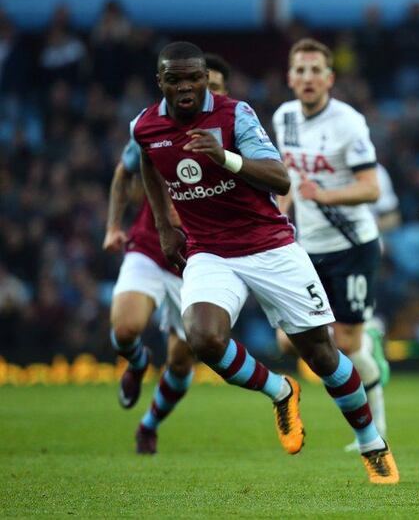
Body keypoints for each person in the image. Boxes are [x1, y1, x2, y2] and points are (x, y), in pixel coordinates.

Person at [136, 41, 398, 484]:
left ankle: (372, 442)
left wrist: (225, 158)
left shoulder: (235, 115)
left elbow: (279, 178)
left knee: (322, 353)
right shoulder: (146, 126)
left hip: (270, 245)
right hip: (209, 251)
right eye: (174, 79)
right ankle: (280, 390)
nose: (185, 87)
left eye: (193, 78)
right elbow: (148, 160)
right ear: (160, 81)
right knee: (204, 339)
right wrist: (164, 224)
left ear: (205, 78)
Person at [103, 53, 232, 455]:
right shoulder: (154, 128)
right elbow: (126, 170)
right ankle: (137, 361)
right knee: (125, 328)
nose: (196, 90)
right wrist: (112, 226)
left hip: (201, 259)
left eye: (210, 85)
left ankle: (149, 424)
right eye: (191, 81)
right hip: (149, 244)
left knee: (181, 361)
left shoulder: (236, 132)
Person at [271, 38, 390, 451]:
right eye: (299, 70)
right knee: (289, 341)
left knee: (349, 344)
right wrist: (282, 213)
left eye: (315, 70)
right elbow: (287, 177)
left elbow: (371, 188)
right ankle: (367, 342)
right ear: (290, 77)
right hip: (306, 247)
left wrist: (324, 196)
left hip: (352, 244)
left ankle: (376, 431)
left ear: (329, 78)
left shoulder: (349, 123)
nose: (307, 78)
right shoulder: (283, 118)